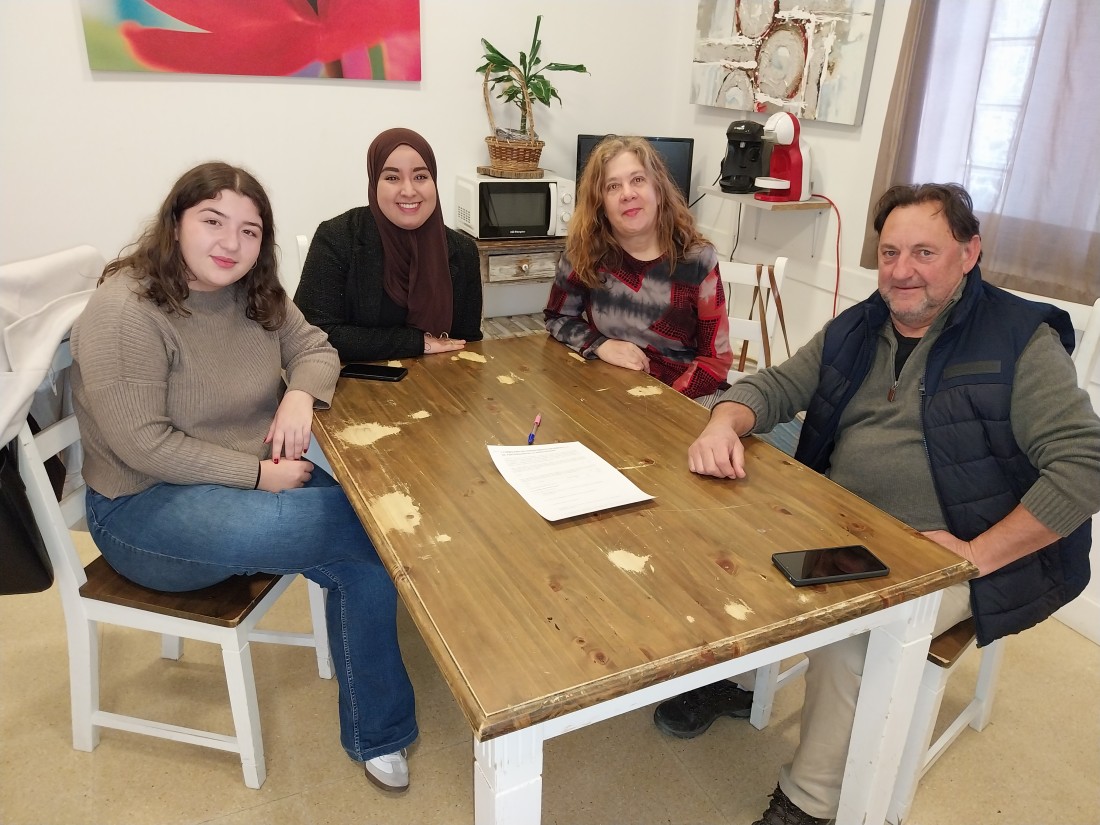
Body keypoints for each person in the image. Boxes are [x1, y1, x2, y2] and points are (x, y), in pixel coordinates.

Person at [656, 182, 1100, 825]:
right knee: (722, 538)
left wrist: (975, 554)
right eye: (890, 253)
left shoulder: (1019, 340)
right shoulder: (863, 324)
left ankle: (808, 805)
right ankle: (737, 679)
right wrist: (724, 422)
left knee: (851, 637)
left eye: (925, 252)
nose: (901, 270)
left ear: (969, 253)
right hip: (840, 519)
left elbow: (1085, 465)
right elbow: (778, 385)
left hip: (945, 547)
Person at [70, 161, 418, 793]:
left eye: (250, 231)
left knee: (365, 543)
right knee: (374, 519)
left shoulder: (252, 291)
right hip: (143, 511)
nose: (231, 243)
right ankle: (390, 716)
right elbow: (142, 445)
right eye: (213, 221)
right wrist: (255, 475)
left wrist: (299, 396)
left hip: (246, 482)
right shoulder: (125, 310)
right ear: (176, 222)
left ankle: (379, 732)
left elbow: (315, 347)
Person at [544, 135, 733, 400]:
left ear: (658, 190)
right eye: (612, 186)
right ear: (600, 204)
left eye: (638, 180)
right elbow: (557, 317)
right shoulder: (584, 252)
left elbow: (715, 360)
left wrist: (666, 401)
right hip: (610, 389)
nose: (627, 194)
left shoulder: (697, 259)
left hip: (686, 396)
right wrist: (600, 345)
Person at [294, 127, 483, 361]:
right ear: (375, 183)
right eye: (392, 178)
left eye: (420, 177)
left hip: (439, 378)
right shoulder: (338, 237)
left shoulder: (462, 251)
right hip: (355, 378)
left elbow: (468, 344)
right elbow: (316, 334)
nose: (409, 191)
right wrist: (416, 343)